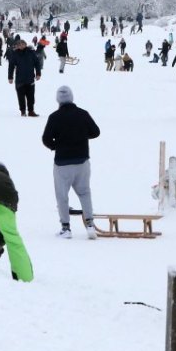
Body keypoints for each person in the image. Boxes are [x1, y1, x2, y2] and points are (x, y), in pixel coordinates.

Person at [42, 85, 100, 239]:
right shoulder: (83, 114)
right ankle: (89, 224)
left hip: (62, 163)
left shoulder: (54, 117)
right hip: (82, 161)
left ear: (58, 100)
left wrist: (56, 146)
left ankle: (66, 228)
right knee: (85, 192)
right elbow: (96, 132)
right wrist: (81, 137)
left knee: (62, 196)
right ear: (72, 98)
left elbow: (46, 139)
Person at [6, 37, 41, 117]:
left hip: (30, 78)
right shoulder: (15, 54)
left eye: (22, 44)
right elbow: (11, 66)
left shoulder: (31, 53)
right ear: (17, 46)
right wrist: (10, 77)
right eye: (19, 45)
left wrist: (38, 73)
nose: (21, 46)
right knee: (21, 97)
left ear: (25, 45)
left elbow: (37, 63)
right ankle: (23, 111)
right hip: (19, 79)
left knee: (31, 97)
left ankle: (31, 111)